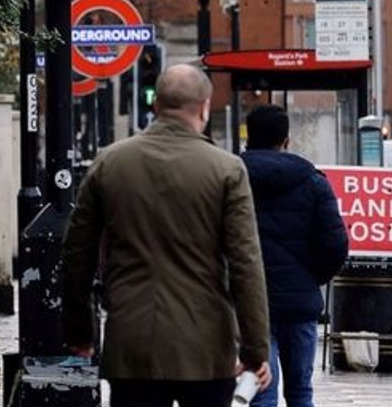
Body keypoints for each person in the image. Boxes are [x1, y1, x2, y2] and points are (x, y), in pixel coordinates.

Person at [62, 63, 272, 406]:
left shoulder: (110, 163)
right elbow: (245, 264)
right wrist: (254, 350)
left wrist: (79, 334)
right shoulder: (226, 170)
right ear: (204, 107)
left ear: (155, 105)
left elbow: (77, 255)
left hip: (132, 343)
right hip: (206, 347)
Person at [242, 104, 349, 407]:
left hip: (250, 304)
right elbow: (336, 244)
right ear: (286, 140)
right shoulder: (313, 181)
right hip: (300, 303)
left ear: (248, 138)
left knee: (260, 392)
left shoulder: (230, 177)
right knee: (301, 392)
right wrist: (312, 277)